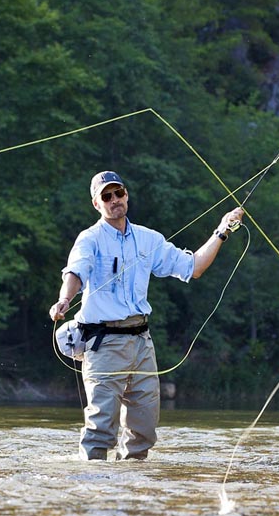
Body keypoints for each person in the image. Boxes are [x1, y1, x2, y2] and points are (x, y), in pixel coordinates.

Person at [49, 170, 244, 460]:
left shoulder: (149, 239)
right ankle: (93, 483)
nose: (114, 199)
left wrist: (222, 230)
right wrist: (64, 300)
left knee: (144, 430)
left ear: (126, 195)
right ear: (97, 204)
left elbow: (193, 267)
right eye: (107, 196)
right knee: (101, 428)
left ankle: (133, 483)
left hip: (142, 343)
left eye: (119, 193)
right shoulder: (89, 239)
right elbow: (75, 272)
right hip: (104, 344)